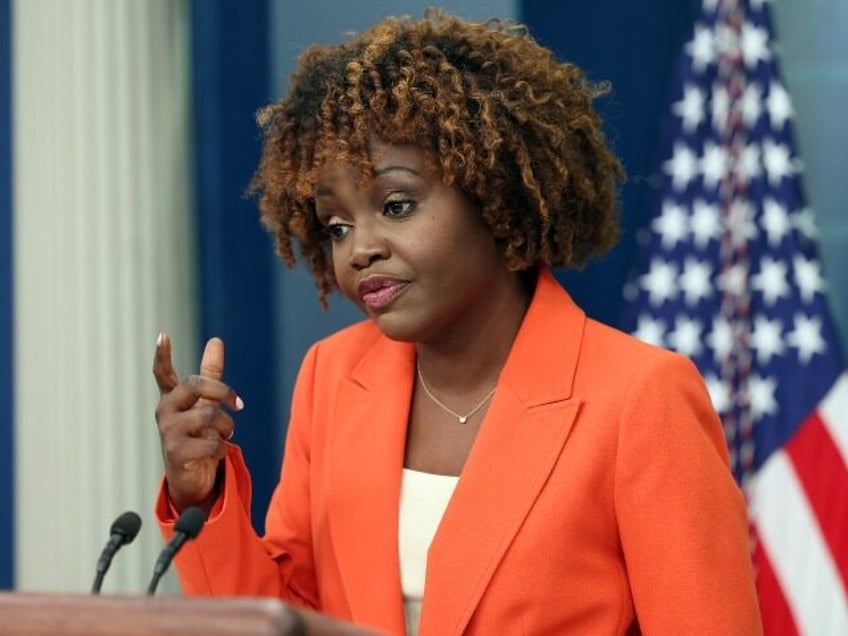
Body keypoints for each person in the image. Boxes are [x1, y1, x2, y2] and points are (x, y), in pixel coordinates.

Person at [152, 9, 762, 635]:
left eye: (397, 205)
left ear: (495, 198)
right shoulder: (332, 378)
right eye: (337, 226)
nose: (360, 248)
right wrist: (202, 497)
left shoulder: (639, 397)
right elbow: (287, 617)